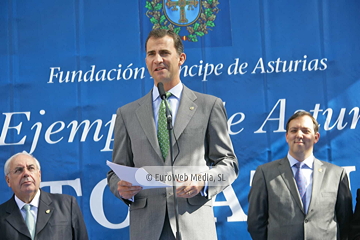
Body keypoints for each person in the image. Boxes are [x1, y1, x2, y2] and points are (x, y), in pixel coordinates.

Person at [107, 29, 238, 240]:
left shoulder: (209, 106)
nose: (157, 59)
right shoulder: (127, 114)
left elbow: (229, 163)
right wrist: (121, 188)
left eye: (164, 52)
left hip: (194, 226)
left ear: (181, 58)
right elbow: (115, 173)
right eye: (151, 54)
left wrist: (203, 181)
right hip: (147, 228)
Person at [247, 111, 352, 240]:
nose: (299, 135)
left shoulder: (336, 174)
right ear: (287, 136)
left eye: (305, 131)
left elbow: (345, 223)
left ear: (316, 137)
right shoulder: (265, 173)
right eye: (294, 130)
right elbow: (255, 223)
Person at [0, 151, 89, 240]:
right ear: (8, 180)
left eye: (31, 168)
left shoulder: (67, 205)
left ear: (39, 175)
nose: (26, 174)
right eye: (19, 170)